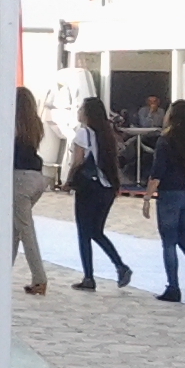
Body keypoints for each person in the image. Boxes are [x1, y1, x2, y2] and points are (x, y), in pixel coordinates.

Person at [141, 100, 185, 303]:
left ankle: (173, 287)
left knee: (169, 242)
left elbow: (157, 172)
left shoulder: (166, 140)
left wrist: (147, 197)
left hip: (170, 193)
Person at [66, 97, 131, 292]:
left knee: (84, 233)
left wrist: (68, 181)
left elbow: (78, 161)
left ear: (86, 113)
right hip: (106, 188)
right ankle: (120, 265)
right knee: (96, 231)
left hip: (88, 188)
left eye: (81, 108)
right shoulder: (106, 134)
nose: (78, 111)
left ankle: (89, 277)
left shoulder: (83, 133)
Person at [11, 87, 49, 296]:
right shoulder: (35, 124)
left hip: (19, 179)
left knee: (25, 230)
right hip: (37, 177)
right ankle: (2, 272)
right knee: (16, 228)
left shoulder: (12, 124)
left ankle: (39, 278)